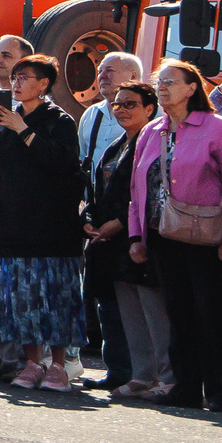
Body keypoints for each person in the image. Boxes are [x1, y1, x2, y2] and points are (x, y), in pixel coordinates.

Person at [0, 51, 84, 392]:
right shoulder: (4, 120)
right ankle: (32, 363)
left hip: (52, 229)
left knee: (55, 296)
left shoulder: (59, 121)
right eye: (14, 78)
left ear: (44, 85)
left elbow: (61, 161)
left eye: (24, 77)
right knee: (22, 298)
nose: (16, 83)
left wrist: (23, 130)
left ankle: (58, 365)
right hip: (10, 226)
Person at [128, 58, 222, 411]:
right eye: (160, 81)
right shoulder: (152, 130)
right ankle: (186, 387)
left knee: (214, 314)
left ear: (192, 88)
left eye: (170, 81)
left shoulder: (217, 127)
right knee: (178, 313)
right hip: (163, 236)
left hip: (208, 238)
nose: (162, 86)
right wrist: (137, 237)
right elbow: (136, 186)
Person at [85, 80, 166, 397]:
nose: (121, 110)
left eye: (130, 104)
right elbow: (96, 192)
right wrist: (89, 220)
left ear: (150, 108)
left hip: (136, 239)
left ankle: (160, 377)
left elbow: (149, 194)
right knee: (115, 312)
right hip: (107, 243)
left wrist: (118, 224)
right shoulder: (115, 145)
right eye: (117, 104)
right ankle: (123, 372)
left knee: (151, 313)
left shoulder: (153, 143)